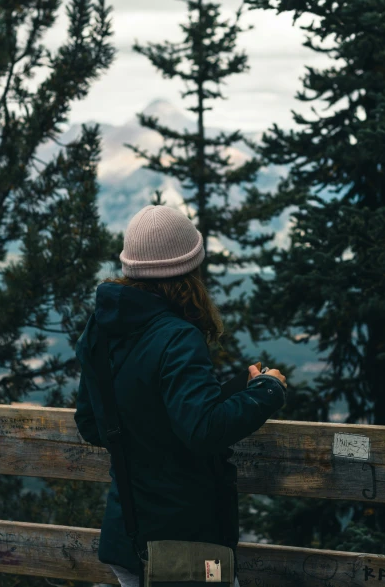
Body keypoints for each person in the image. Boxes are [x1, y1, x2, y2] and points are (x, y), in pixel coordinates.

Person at [74, 204, 288, 587]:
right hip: (184, 542)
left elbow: (92, 424)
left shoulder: (100, 330)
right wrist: (266, 391)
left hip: (126, 535)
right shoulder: (177, 336)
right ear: (190, 269)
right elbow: (202, 430)